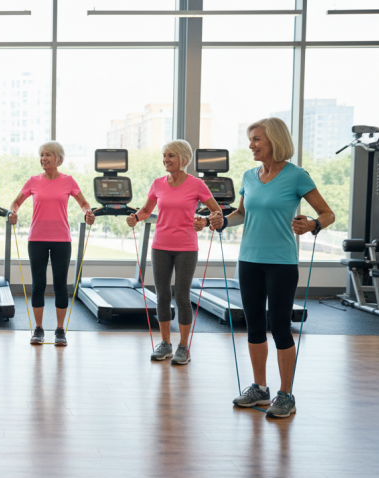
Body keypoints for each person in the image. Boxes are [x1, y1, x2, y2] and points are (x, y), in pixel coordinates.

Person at [222, 117, 334, 417]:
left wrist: (313, 223)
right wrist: (218, 220)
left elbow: (327, 213)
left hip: (281, 263)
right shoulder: (248, 176)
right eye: (251, 139)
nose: (251, 145)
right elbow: (240, 214)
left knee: (281, 328)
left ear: (274, 140)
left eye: (257, 139)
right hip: (249, 261)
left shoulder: (296, 176)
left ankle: (286, 395)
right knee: (254, 325)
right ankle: (260, 389)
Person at [127, 140, 223, 365]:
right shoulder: (158, 183)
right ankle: (165, 343)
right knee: (162, 296)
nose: (166, 160)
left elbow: (216, 211)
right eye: (164, 155)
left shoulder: (197, 185)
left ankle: (183, 346)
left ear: (183, 159)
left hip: (186, 248)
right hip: (160, 245)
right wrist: (135, 218)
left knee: (182, 296)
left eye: (171, 156)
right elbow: (146, 210)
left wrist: (206, 221)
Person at [8, 141, 94, 346]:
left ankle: (59, 330)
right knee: (38, 285)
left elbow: (83, 203)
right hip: (36, 238)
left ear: (58, 158)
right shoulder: (33, 181)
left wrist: (88, 213)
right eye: (41, 155)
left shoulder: (69, 181)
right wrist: (13, 212)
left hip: (61, 239)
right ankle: (38, 329)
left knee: (60, 285)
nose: (43, 158)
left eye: (48, 155)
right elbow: (16, 202)